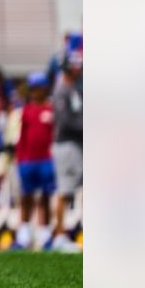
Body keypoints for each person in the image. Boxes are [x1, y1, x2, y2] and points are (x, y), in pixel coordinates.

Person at [14, 71, 57, 250]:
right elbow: (21, 136)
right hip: (28, 160)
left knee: (46, 197)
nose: (35, 92)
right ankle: (24, 234)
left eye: (38, 88)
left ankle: (45, 233)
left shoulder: (51, 110)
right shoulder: (26, 111)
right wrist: (20, 159)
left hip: (46, 159)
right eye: (33, 89)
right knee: (27, 197)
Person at [51, 43, 83, 252]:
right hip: (66, 145)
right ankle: (59, 235)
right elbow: (65, 122)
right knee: (65, 189)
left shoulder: (73, 88)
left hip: (76, 144)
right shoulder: (62, 90)